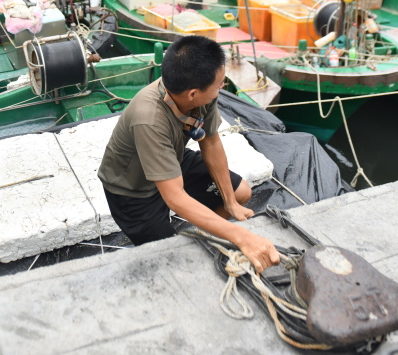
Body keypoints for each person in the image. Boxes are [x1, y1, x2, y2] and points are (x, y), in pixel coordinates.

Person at [98, 35, 280, 273]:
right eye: (219, 84)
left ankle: (202, 235)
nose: (222, 87)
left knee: (241, 193)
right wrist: (241, 236)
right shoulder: (149, 119)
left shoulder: (202, 96)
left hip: (172, 160)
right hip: (132, 189)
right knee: (173, 259)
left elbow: (211, 141)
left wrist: (230, 201)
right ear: (193, 94)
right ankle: (190, 239)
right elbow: (175, 197)